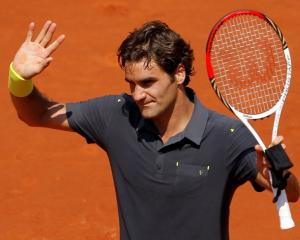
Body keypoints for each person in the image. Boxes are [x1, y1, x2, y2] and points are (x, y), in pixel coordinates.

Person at [9, 20, 299, 240]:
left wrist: (279, 175)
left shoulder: (228, 138)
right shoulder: (117, 115)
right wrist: (19, 78)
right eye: (131, 83)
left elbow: (292, 193)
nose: (137, 95)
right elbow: (37, 114)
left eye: (148, 83)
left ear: (179, 74)